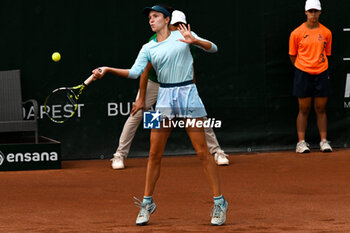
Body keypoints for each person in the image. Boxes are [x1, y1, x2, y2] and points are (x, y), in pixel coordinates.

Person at [93, 4, 228, 226]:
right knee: (154, 153)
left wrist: (195, 41)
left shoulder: (183, 35)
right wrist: (108, 69)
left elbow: (213, 48)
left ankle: (219, 202)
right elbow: (135, 72)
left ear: (167, 19)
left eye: (155, 16)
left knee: (203, 152)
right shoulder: (148, 47)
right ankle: (147, 203)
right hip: (163, 97)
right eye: (149, 18)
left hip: (188, 94)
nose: (151, 20)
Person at [110, 9, 229, 170]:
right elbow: (143, 72)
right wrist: (141, 98)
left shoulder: (187, 37)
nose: (178, 28)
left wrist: (191, 89)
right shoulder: (154, 41)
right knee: (137, 114)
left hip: (181, 86)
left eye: (181, 25)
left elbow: (192, 63)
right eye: (175, 25)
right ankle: (119, 155)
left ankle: (217, 152)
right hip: (154, 83)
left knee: (199, 116)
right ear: (169, 23)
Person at [289, 0, 332, 153]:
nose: (313, 14)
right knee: (304, 109)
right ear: (306, 12)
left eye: (316, 11)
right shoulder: (296, 33)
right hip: (303, 73)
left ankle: (324, 141)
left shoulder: (326, 32)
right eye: (311, 11)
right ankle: (301, 142)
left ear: (320, 12)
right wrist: (304, 67)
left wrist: (316, 66)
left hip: (322, 72)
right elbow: (293, 56)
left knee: (321, 108)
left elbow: (327, 54)